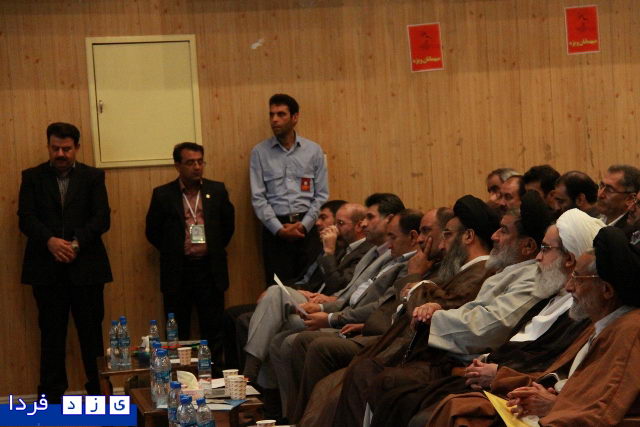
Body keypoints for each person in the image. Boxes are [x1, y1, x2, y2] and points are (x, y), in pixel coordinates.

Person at [332, 191, 552, 427]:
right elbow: (469, 309)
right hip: (441, 353)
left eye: (504, 231)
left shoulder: (528, 278)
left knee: (383, 382)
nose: (494, 236)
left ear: (528, 246)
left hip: (464, 362)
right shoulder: (507, 272)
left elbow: (488, 325)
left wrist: (433, 314)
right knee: (367, 375)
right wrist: (436, 307)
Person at [379, 208, 603, 427]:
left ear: (569, 259)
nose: (538, 257)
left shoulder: (581, 313)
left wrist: (498, 373)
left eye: (545, 248)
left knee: (417, 407)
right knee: (397, 398)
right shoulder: (551, 296)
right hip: (489, 376)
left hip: (513, 392)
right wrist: (486, 362)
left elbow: (548, 367)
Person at [428, 226, 640, 426]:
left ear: (606, 290)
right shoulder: (601, 326)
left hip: (558, 418)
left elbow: (602, 411)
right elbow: (569, 384)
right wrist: (525, 390)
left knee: (461, 411)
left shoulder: (629, 332)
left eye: (578, 278)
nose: (569, 286)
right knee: (457, 405)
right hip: (551, 408)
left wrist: (554, 405)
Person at [18, 122, 112, 403]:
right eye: (55, 148)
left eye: (66, 148)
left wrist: (75, 243)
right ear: (48, 146)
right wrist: (50, 241)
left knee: (92, 338)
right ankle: (51, 401)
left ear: (77, 148)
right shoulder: (32, 177)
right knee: (51, 338)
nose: (60, 153)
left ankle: (99, 398)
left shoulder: (93, 177)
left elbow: (101, 218)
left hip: (87, 269)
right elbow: (26, 218)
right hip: (46, 269)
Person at [145, 142, 235, 363]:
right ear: (177, 165)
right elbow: (153, 232)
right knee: (178, 333)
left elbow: (227, 227)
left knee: (213, 330)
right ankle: (180, 376)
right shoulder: (163, 194)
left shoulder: (217, 190)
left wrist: (210, 247)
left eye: (200, 162)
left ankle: (214, 375)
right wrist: (174, 251)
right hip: (178, 271)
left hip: (209, 269)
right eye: (190, 162)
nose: (196, 167)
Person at [250, 93, 329, 283]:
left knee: (310, 286)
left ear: (295, 117)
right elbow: (258, 197)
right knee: (278, 287)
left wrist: (304, 225)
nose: (274, 120)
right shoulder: (260, 152)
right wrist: (279, 229)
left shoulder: (313, 151)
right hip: (275, 230)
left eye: (281, 114)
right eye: (271, 114)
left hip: (308, 228)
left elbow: (322, 195)